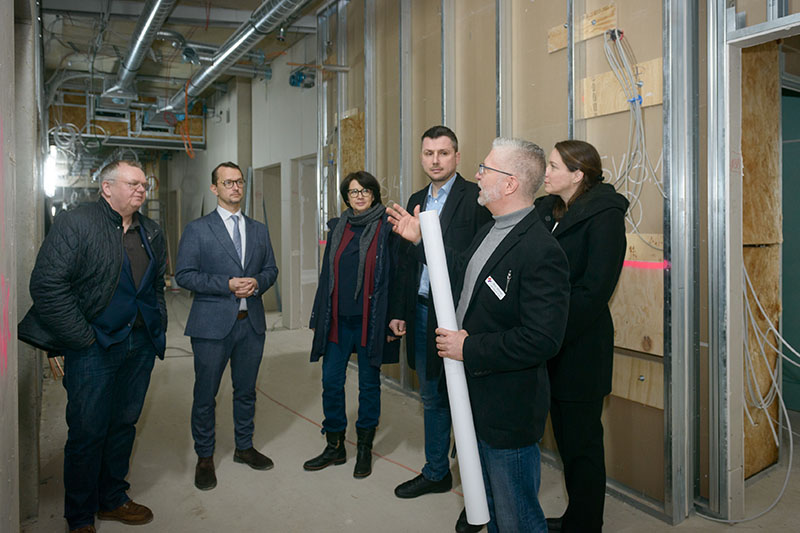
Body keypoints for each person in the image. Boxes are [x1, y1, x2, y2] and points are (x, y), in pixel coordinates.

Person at [387, 138, 571, 533]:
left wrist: (469, 347)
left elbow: (542, 338)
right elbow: (463, 272)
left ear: (509, 184)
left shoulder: (541, 250)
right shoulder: (493, 230)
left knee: (517, 516)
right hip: (478, 401)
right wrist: (423, 239)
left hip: (507, 409)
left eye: (486, 168)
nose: (477, 174)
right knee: (490, 504)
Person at [18, 160, 167, 533]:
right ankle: (80, 517)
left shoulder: (151, 230)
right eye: (132, 183)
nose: (140, 190)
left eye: (144, 185)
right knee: (87, 432)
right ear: (107, 188)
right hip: (93, 346)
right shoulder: (78, 223)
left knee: (123, 424)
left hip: (139, 344)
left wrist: (155, 326)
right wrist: (81, 339)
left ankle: (113, 498)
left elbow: (156, 285)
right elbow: (48, 286)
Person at [390, 126, 491, 514]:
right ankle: (436, 471)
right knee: (431, 395)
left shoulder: (475, 200)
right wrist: (399, 310)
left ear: (457, 157)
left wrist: (424, 241)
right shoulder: (417, 199)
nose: (435, 160)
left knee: (468, 401)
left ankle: (480, 489)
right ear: (421, 157)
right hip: (420, 310)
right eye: (429, 153)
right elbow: (404, 264)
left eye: (443, 153)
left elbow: (471, 262)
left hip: (459, 315)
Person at [535, 140, 628, 533]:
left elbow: (595, 289)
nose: (546, 173)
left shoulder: (604, 215)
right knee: (567, 443)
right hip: (552, 345)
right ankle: (577, 518)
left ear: (578, 175)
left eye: (554, 167)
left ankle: (587, 525)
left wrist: (549, 331)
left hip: (580, 347)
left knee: (582, 447)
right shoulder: (551, 210)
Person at [175, 161, 278, 491]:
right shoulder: (197, 229)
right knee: (205, 394)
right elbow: (185, 275)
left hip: (251, 325)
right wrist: (227, 284)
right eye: (228, 182)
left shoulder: (259, 229)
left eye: (239, 182)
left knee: (246, 392)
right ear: (214, 188)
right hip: (211, 326)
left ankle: (244, 448)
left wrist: (257, 283)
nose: (235, 187)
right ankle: (205, 457)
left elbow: (272, 270)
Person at [305, 171, 400, 479]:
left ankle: (363, 448)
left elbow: (397, 277)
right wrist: (319, 314)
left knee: (368, 387)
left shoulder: (387, 228)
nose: (359, 195)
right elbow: (326, 276)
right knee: (331, 382)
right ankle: (335, 445)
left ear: (374, 194)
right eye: (353, 191)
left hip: (369, 321)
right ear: (346, 197)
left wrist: (395, 318)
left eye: (365, 190)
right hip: (337, 321)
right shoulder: (338, 227)